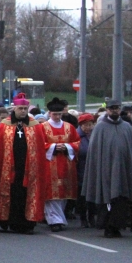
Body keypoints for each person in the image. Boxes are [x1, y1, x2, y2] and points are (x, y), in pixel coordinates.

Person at [0, 93, 48, 234]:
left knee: (25, 194)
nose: (23, 111)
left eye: (25, 108)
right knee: (10, 194)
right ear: (14, 109)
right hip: (9, 169)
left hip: (28, 168)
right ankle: (7, 221)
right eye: (20, 108)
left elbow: (39, 149)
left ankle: (27, 222)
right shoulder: (4, 126)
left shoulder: (35, 126)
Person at [83, 100, 132, 238]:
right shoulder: (100, 128)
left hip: (123, 171)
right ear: (107, 110)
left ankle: (117, 226)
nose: (114, 111)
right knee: (107, 200)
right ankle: (107, 226)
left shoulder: (127, 127)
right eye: (112, 109)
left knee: (121, 200)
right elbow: (95, 153)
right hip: (105, 171)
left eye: (117, 108)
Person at [40, 98, 80, 232]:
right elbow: (38, 144)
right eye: (54, 114)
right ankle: (54, 220)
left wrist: (67, 146)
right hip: (50, 164)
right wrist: (54, 147)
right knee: (51, 194)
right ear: (49, 113)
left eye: (59, 114)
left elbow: (78, 142)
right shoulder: (43, 127)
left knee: (63, 194)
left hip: (67, 164)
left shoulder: (69, 127)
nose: (57, 117)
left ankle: (58, 217)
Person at [75, 113, 96, 228]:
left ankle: (92, 216)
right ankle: (83, 218)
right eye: (86, 125)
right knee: (82, 196)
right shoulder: (77, 136)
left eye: (90, 125)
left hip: (92, 169)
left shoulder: (94, 135)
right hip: (81, 169)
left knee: (92, 195)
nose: (88, 127)